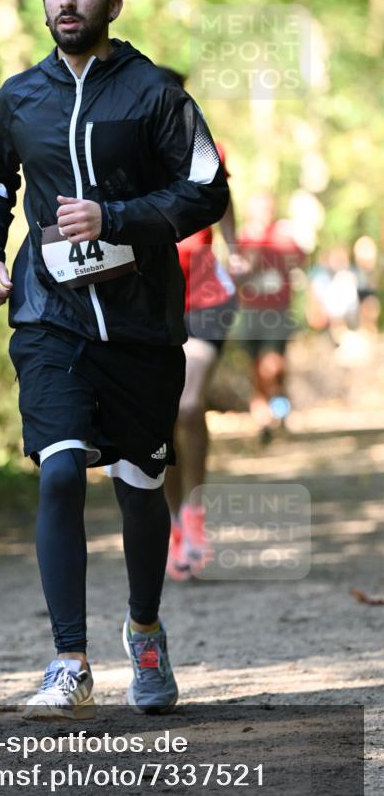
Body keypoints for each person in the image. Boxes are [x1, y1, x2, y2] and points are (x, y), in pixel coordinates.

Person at [0, 0, 228, 718]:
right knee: (57, 467)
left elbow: (206, 191)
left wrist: (115, 217)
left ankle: (144, 630)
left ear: (113, 2)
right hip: (49, 316)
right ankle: (68, 660)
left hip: (141, 325)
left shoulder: (154, 95)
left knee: (139, 487)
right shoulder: (16, 99)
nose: (67, 2)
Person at [162, 134, 247, 580]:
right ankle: (174, 522)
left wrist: (234, 246)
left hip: (205, 292)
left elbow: (222, 192)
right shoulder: (123, 136)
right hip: (150, 296)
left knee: (188, 405)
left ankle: (194, 513)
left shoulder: (198, 141)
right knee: (160, 417)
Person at [235, 191, 306, 443]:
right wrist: (250, 262)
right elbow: (234, 274)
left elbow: (300, 260)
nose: (265, 213)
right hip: (251, 311)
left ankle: (279, 407)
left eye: (268, 208)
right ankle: (264, 420)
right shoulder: (244, 238)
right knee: (256, 368)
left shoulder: (283, 235)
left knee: (272, 364)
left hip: (277, 312)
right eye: (260, 208)